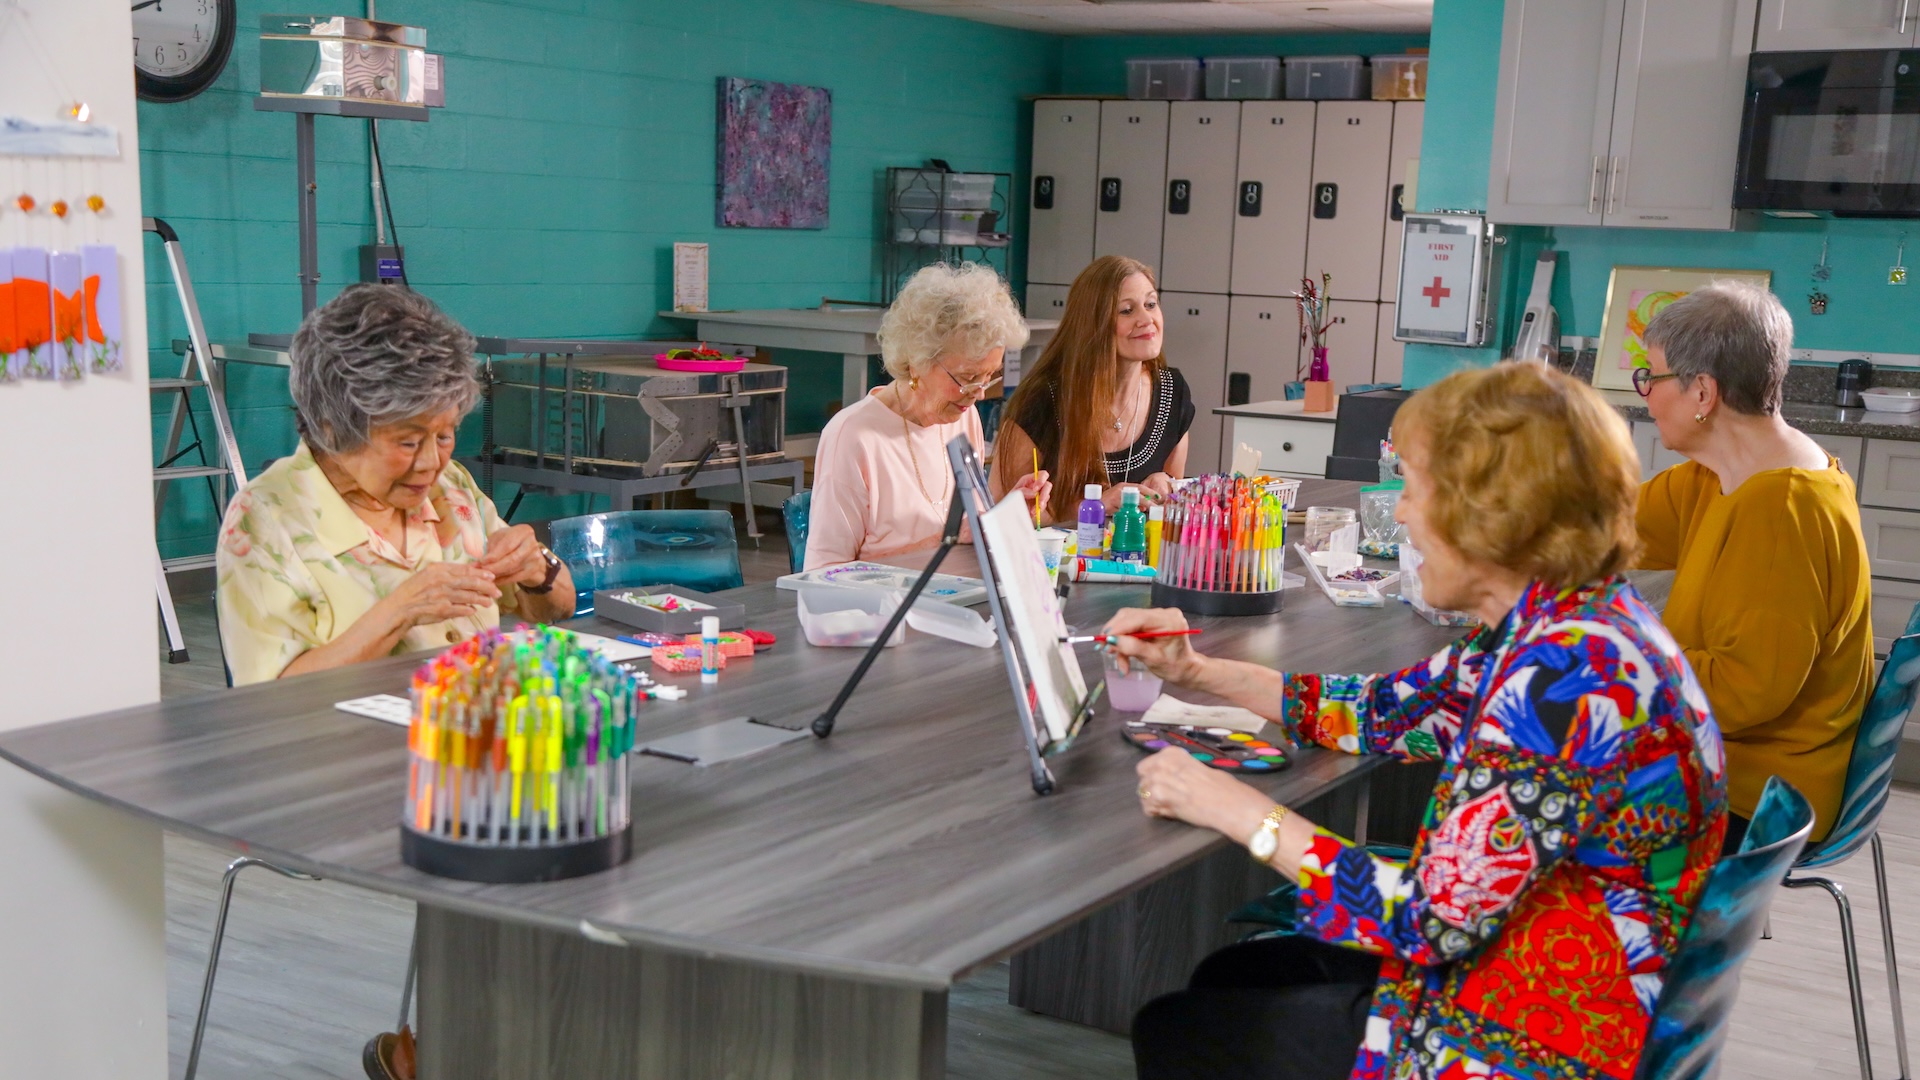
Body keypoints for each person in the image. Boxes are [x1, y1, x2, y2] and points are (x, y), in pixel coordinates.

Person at [1111, 362, 1727, 1080]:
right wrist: (1197, 672)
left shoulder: (1566, 683)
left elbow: (1427, 921)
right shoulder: (1563, 626)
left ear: (1493, 510)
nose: (1400, 513)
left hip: (1526, 1037)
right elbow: (1378, 714)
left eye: (1414, 488)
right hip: (1549, 979)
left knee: (1187, 1029)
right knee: (1232, 985)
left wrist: (1236, 810)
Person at [216, 285, 575, 686]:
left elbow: (557, 607)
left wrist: (537, 568)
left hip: (467, 732)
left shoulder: (450, 486)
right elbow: (268, 698)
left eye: (445, 435)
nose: (430, 463)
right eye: (407, 442)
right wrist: (399, 611)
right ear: (333, 431)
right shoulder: (267, 518)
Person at [1633, 281, 1872, 850]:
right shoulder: (1720, 473)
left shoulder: (1784, 509)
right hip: (1713, 757)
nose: (1644, 394)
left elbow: (1746, 691)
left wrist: (1613, 658)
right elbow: (1607, 529)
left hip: (1755, 796)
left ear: (1703, 393)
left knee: (1525, 792)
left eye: (1652, 377)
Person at [806, 262, 1048, 568]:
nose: (981, 393)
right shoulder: (853, 437)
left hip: (954, 601)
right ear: (916, 362)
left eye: (989, 377)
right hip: (883, 611)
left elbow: (966, 532)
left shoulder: (964, 418)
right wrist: (944, 540)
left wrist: (1004, 515)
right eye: (968, 377)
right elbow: (823, 574)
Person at [992, 255, 1194, 520]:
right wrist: (1096, 506)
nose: (1147, 319)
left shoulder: (1172, 392)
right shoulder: (1042, 401)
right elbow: (1008, 516)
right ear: (1093, 324)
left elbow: (1167, 514)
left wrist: (1166, 483)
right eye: (1126, 310)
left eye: (1151, 304)